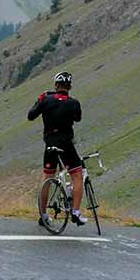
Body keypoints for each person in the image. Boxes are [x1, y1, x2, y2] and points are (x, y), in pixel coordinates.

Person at [27, 71, 86, 228]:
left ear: (56, 85)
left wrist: (40, 100)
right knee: (77, 175)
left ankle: (43, 215)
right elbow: (78, 118)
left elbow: (31, 115)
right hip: (66, 144)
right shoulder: (74, 103)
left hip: (50, 144)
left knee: (47, 178)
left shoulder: (46, 99)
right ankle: (75, 212)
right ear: (70, 86)